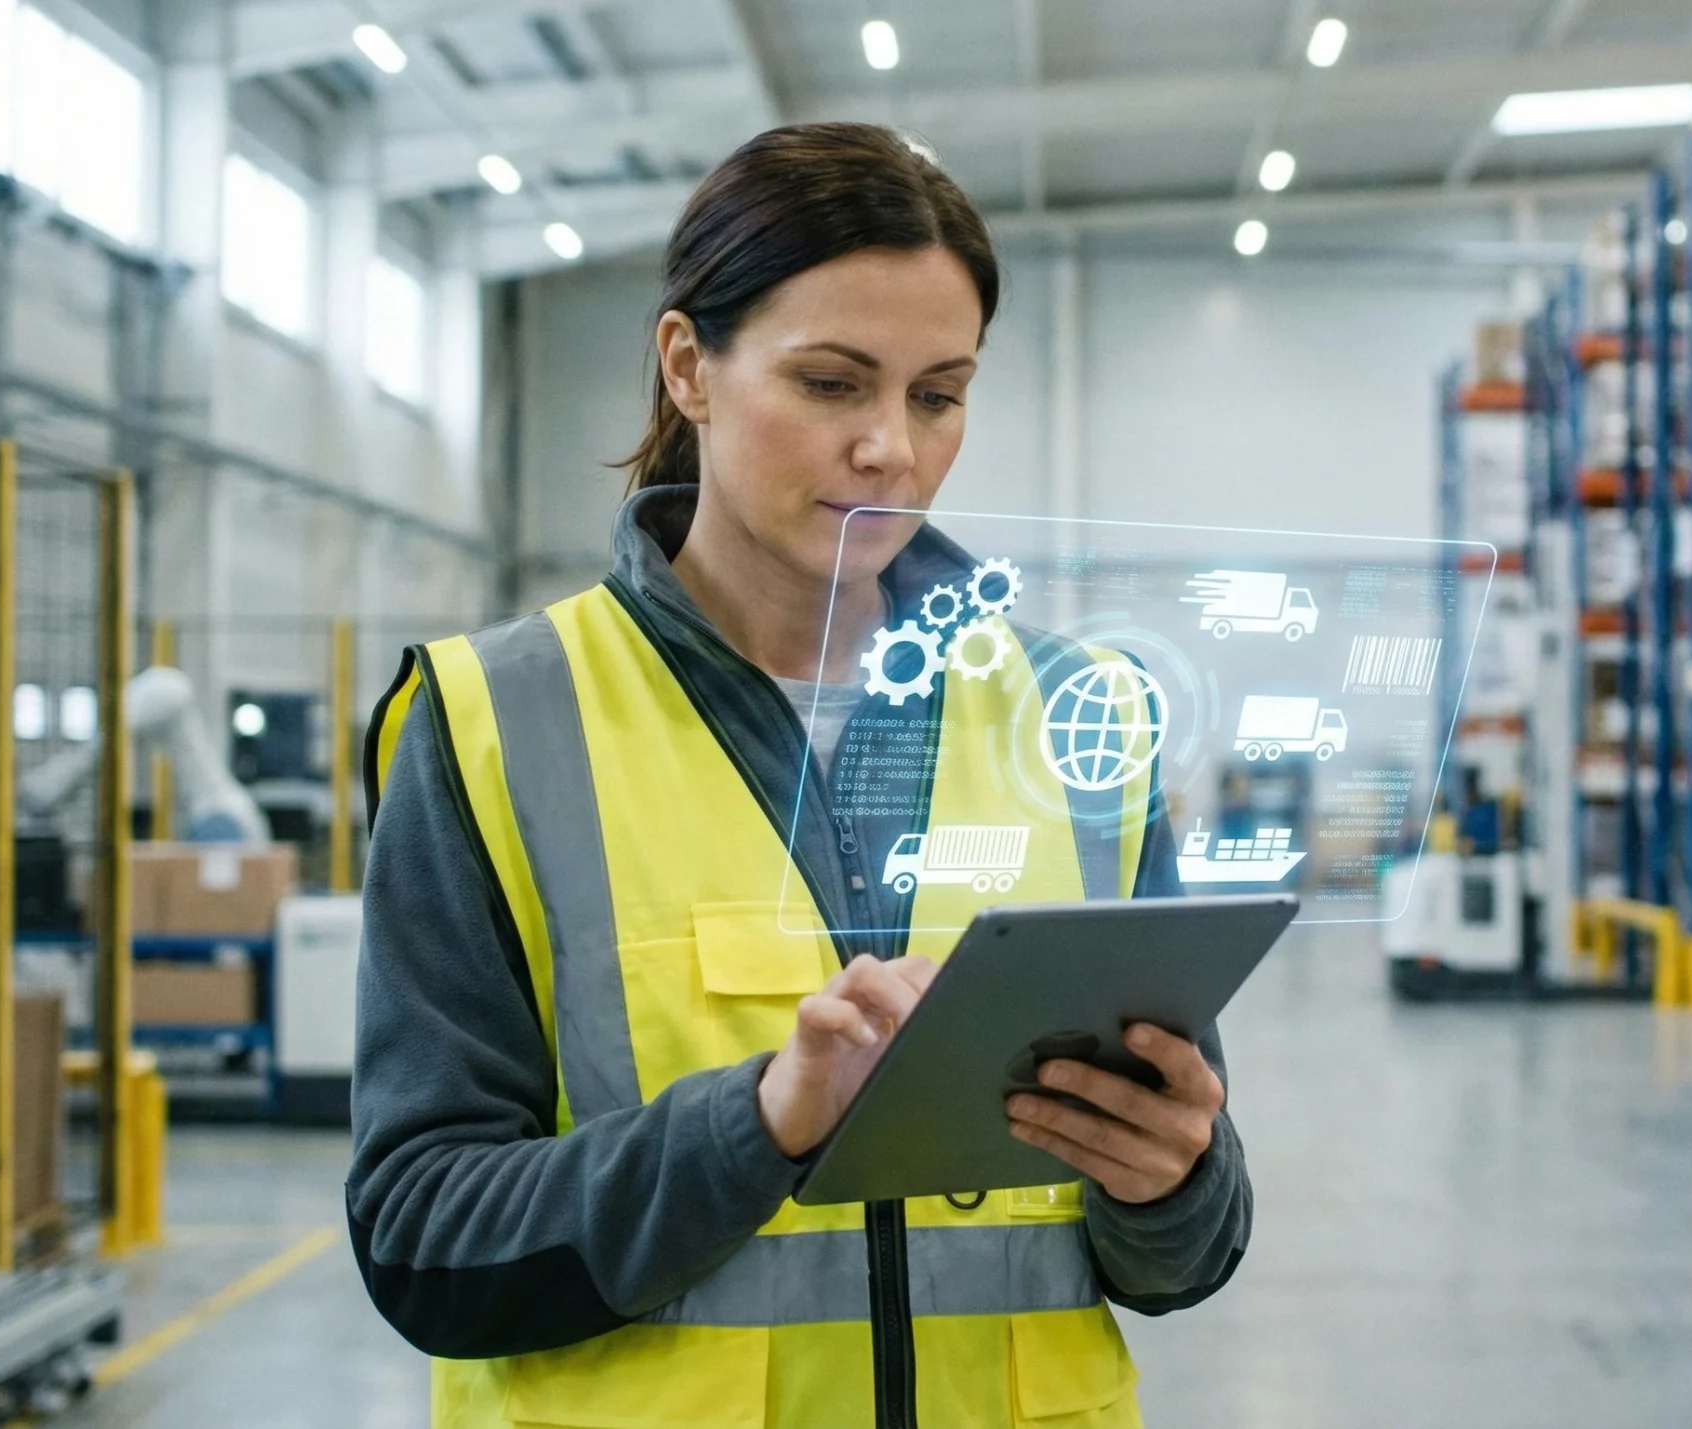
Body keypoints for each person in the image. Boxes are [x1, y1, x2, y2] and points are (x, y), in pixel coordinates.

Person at [347, 123, 1252, 1429]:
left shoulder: (1082, 715)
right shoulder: (494, 722)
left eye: (938, 395)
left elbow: (1182, 1248)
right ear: (688, 366)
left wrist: (1173, 1182)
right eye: (833, 384)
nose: (892, 449)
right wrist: (756, 1128)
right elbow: (423, 1242)